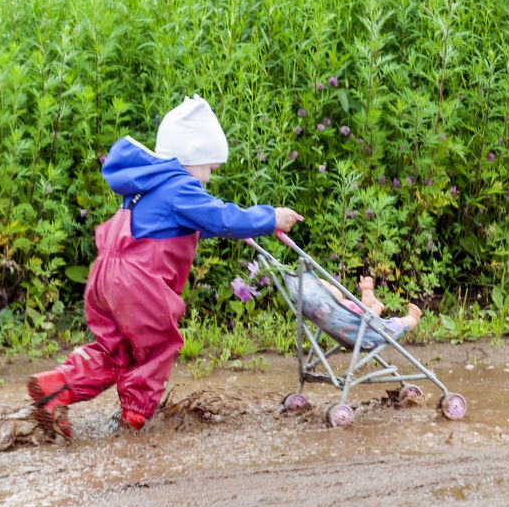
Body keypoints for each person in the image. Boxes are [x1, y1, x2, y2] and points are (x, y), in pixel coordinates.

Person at [26, 95, 303, 439]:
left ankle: (57, 386)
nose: (208, 180)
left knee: (115, 354)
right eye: (209, 169)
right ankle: (134, 423)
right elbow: (222, 217)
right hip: (136, 286)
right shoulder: (180, 187)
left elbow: (180, 224)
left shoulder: (148, 186)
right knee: (154, 349)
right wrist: (269, 217)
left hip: (105, 277)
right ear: (190, 157)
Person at [317, 275, 422, 338]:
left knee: (363, 309)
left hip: (361, 319)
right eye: (330, 287)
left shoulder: (333, 309)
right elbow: (364, 322)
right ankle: (411, 319)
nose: (333, 286)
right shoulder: (334, 311)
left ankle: (367, 295)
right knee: (393, 325)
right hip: (366, 330)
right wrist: (376, 308)